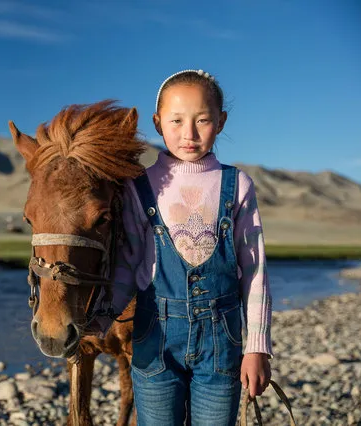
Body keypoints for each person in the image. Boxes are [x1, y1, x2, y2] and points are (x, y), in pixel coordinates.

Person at [97, 69, 273, 425]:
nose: (189, 134)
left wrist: (257, 346)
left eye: (203, 120)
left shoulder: (236, 185)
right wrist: (99, 320)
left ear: (221, 122)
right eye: (176, 121)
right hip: (154, 342)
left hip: (222, 346)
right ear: (157, 122)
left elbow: (254, 271)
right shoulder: (140, 187)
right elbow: (128, 266)